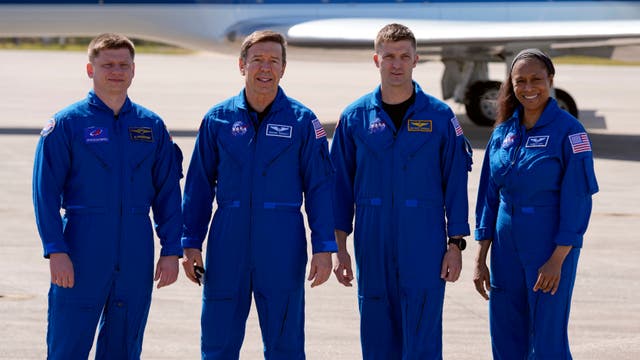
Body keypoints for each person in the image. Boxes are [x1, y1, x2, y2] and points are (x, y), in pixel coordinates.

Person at [181, 30, 336, 359]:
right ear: (242, 65)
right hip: (227, 243)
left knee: (286, 344)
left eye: (273, 61)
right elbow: (198, 186)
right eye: (257, 60)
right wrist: (190, 242)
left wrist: (324, 247)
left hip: (282, 243)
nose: (265, 68)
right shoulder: (218, 120)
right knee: (217, 342)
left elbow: (320, 189)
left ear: (283, 68)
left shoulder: (303, 122)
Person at [32, 33, 184, 359]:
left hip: (136, 249)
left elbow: (168, 193)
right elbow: (44, 193)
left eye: (123, 65)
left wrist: (171, 250)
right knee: (67, 345)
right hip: (82, 247)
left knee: (124, 346)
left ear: (133, 70)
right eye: (107, 65)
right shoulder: (67, 125)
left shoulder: (152, 126)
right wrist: (55, 250)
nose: (116, 71)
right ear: (90, 69)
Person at [330, 23, 473, 359]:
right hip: (371, 241)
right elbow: (339, 189)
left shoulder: (440, 117)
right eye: (389, 56)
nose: (396, 64)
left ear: (415, 60)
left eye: (404, 57)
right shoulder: (354, 118)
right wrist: (339, 247)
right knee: (377, 333)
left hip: (423, 243)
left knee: (423, 336)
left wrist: (456, 245)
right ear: (376, 60)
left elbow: (455, 183)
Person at [473, 48, 599, 359]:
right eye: (520, 81)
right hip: (505, 247)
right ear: (511, 85)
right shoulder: (503, 132)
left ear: (551, 80)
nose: (529, 88)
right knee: (505, 333)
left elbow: (578, 199)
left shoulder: (570, 132)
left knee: (547, 338)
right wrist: (480, 257)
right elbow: (489, 197)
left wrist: (558, 258)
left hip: (548, 246)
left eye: (536, 80)